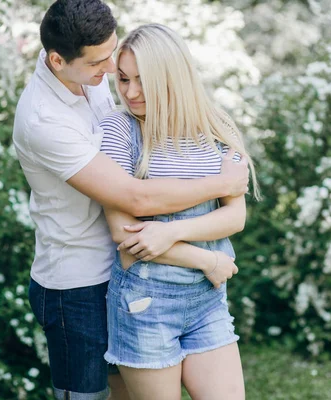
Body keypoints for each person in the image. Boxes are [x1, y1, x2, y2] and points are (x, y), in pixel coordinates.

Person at [12, 1, 250, 399]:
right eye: (104, 66)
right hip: (79, 281)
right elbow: (134, 199)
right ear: (58, 61)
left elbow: (231, 215)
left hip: (153, 279)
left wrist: (179, 229)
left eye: (114, 61)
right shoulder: (44, 119)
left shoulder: (93, 74)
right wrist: (221, 190)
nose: (112, 76)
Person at [99, 24, 260, 400]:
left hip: (207, 302)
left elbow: (234, 217)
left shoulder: (216, 128)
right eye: (123, 79)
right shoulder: (119, 131)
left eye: (143, 80)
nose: (131, 92)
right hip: (144, 303)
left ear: (173, 78)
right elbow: (124, 233)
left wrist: (168, 232)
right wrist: (207, 259)